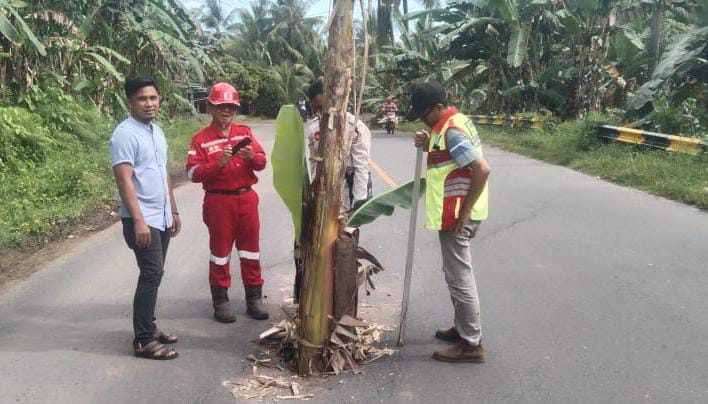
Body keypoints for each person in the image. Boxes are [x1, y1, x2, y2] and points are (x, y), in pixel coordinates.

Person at [407, 81, 491, 363]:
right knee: (454, 274)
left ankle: (471, 343)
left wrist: (465, 212)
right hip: (455, 211)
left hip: (457, 214)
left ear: (439, 108)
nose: (421, 118)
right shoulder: (450, 124)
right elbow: (451, 159)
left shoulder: (452, 130)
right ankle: (463, 328)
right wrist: (428, 142)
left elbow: (481, 169)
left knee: (459, 278)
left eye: (424, 113)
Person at [110, 76, 181, 360]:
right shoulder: (124, 134)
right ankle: (142, 341)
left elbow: (163, 172)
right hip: (142, 218)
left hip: (161, 215)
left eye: (153, 97)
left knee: (156, 272)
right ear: (130, 102)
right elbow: (124, 180)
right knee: (151, 273)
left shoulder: (156, 131)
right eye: (142, 98)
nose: (149, 103)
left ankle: (149, 328)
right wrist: (138, 220)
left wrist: (173, 209)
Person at [186, 82, 269, 323]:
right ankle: (220, 301)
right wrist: (217, 164)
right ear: (211, 108)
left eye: (231, 107)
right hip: (219, 201)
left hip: (246, 198)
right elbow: (192, 173)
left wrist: (253, 157)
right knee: (220, 253)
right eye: (221, 107)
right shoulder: (200, 139)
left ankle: (254, 298)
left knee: (251, 251)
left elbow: (262, 162)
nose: (226, 111)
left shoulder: (245, 133)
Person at [305, 78, 372, 213]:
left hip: (347, 192)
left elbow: (361, 168)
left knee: (344, 232)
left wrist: (358, 206)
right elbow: (313, 163)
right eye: (317, 107)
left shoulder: (355, 127)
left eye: (324, 106)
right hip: (321, 193)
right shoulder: (313, 128)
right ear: (311, 104)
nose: (322, 111)